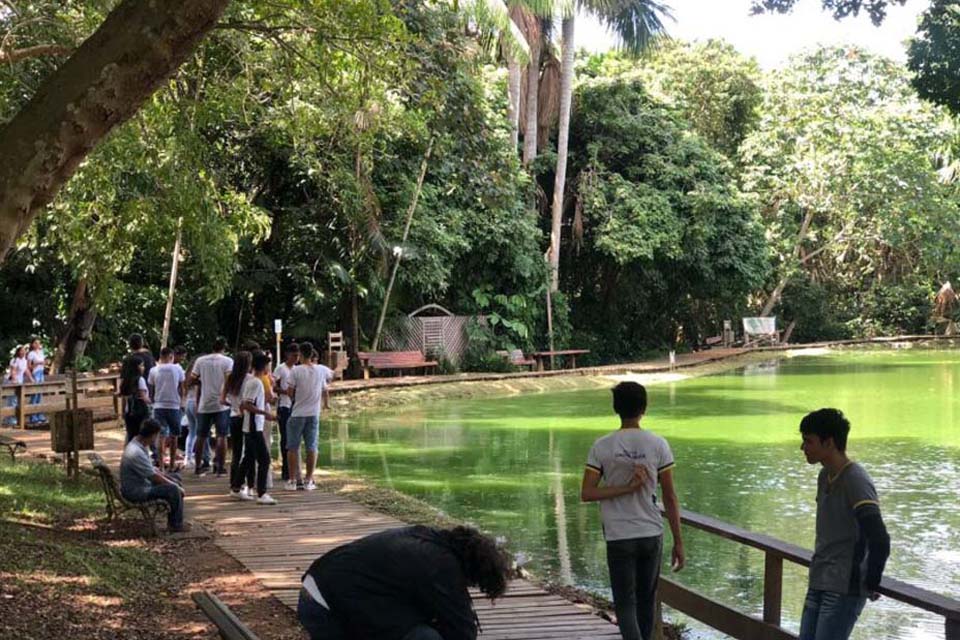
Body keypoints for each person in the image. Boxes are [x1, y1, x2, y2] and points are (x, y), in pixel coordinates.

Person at [580, 381, 684, 640]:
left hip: (619, 534)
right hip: (651, 533)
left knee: (626, 605)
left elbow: (587, 492)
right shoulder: (658, 444)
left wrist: (624, 488)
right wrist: (679, 542)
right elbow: (670, 497)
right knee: (646, 602)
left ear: (616, 409)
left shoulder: (601, 446)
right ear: (644, 408)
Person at [298, 525, 510, 640]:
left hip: (319, 589)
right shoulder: (441, 564)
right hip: (326, 607)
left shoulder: (426, 538)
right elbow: (462, 629)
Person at [798, 408, 890, 640]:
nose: (803, 448)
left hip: (844, 585)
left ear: (829, 443)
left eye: (808, 441)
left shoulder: (855, 480)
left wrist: (872, 580)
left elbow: (879, 537)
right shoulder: (824, 476)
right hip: (819, 578)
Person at [120, 418, 189, 533]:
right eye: (157, 435)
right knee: (173, 489)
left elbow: (153, 470)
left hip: (142, 484)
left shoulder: (138, 445)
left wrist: (170, 478)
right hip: (136, 490)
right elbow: (153, 476)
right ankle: (176, 524)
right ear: (152, 435)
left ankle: (176, 519)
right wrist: (176, 487)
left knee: (175, 478)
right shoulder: (135, 452)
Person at [285, 342, 333, 491]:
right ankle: (309, 479)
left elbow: (290, 392)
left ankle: (293, 480)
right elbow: (330, 379)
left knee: (293, 447)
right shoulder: (320, 370)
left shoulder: (295, 371)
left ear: (300, 354)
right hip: (313, 414)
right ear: (312, 354)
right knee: (312, 447)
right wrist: (325, 403)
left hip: (298, 412)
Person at [190, 337, 233, 476]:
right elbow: (229, 381)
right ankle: (220, 467)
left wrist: (202, 381)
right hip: (222, 403)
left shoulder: (201, 361)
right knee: (222, 436)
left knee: (201, 435)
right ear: (224, 348)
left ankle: (198, 466)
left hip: (205, 403)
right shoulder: (227, 361)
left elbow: (192, 378)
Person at [239, 351, 278, 505]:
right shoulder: (256, 383)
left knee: (248, 458)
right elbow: (247, 404)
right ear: (264, 367)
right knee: (264, 459)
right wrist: (265, 414)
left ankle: (236, 486)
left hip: (252, 424)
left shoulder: (251, 381)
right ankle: (262, 493)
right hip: (254, 425)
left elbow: (244, 405)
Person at [148, 347, 185, 471]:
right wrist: (181, 402)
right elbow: (181, 387)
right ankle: (172, 463)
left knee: (161, 436)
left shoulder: (153, 370)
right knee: (174, 436)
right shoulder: (178, 369)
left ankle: (162, 465)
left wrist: (153, 401)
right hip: (174, 405)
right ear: (171, 356)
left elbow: (151, 389)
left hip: (159, 405)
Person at [222, 351, 252, 498]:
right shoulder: (249, 379)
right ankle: (240, 484)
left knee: (236, 453)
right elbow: (246, 401)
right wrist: (240, 409)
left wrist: (233, 405)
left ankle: (233, 483)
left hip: (233, 416)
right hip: (244, 417)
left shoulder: (230, 378)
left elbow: (222, 400)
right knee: (247, 452)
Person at [273, 342, 300, 482]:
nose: (296, 358)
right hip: (284, 406)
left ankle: (293, 470)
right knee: (285, 438)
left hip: (295, 407)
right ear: (288, 355)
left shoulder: (297, 369)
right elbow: (273, 386)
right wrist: (286, 392)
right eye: (294, 355)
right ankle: (285, 470)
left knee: (293, 439)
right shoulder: (280, 369)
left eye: (298, 355)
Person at [119, 354, 151, 443]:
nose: (143, 368)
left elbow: (124, 398)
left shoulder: (125, 381)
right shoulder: (140, 380)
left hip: (128, 412)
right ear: (136, 367)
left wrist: (123, 412)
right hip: (140, 411)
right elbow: (143, 397)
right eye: (141, 365)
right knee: (140, 435)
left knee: (130, 435)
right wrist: (151, 403)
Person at [4, 345, 32, 425]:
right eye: (22, 350)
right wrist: (14, 380)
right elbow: (13, 371)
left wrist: (31, 379)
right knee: (12, 401)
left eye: (24, 351)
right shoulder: (14, 360)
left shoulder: (24, 360)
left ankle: (13, 418)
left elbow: (26, 370)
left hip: (20, 382)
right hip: (12, 382)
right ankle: (10, 419)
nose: (23, 352)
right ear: (18, 352)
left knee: (18, 401)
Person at [26, 338, 46, 424]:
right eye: (35, 343)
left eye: (39, 343)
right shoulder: (31, 354)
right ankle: (32, 415)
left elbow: (44, 362)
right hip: (35, 372)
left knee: (39, 394)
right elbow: (29, 366)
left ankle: (39, 414)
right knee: (34, 394)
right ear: (32, 344)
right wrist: (37, 363)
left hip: (41, 372)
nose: (37, 345)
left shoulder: (41, 352)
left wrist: (44, 363)